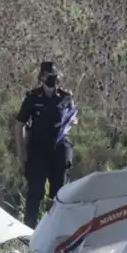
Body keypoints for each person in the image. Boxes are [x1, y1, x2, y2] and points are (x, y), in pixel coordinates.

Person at [14, 61, 78, 228]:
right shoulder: (32, 97)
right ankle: (29, 230)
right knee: (35, 190)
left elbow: (73, 116)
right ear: (41, 77)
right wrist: (21, 153)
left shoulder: (66, 96)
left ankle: (57, 230)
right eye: (49, 77)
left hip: (60, 148)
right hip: (38, 149)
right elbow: (20, 123)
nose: (53, 81)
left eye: (56, 77)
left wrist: (72, 122)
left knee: (60, 192)